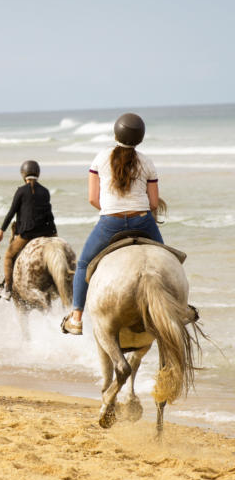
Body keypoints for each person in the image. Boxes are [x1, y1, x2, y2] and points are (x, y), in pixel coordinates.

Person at [60, 112, 163, 335]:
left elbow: (92, 198)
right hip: (143, 221)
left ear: (116, 133)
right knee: (167, 260)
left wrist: (111, 211)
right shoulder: (147, 162)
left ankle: (76, 318)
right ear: (140, 138)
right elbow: (154, 203)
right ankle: (180, 308)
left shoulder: (100, 158)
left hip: (110, 223)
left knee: (83, 264)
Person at [0, 160, 57, 300]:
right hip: (46, 232)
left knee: (8, 256)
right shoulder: (45, 191)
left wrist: (1, 231)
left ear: (23, 174)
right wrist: (54, 235)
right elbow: (49, 214)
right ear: (38, 173)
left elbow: (11, 212)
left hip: (28, 234)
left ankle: (7, 289)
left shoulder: (21, 191)